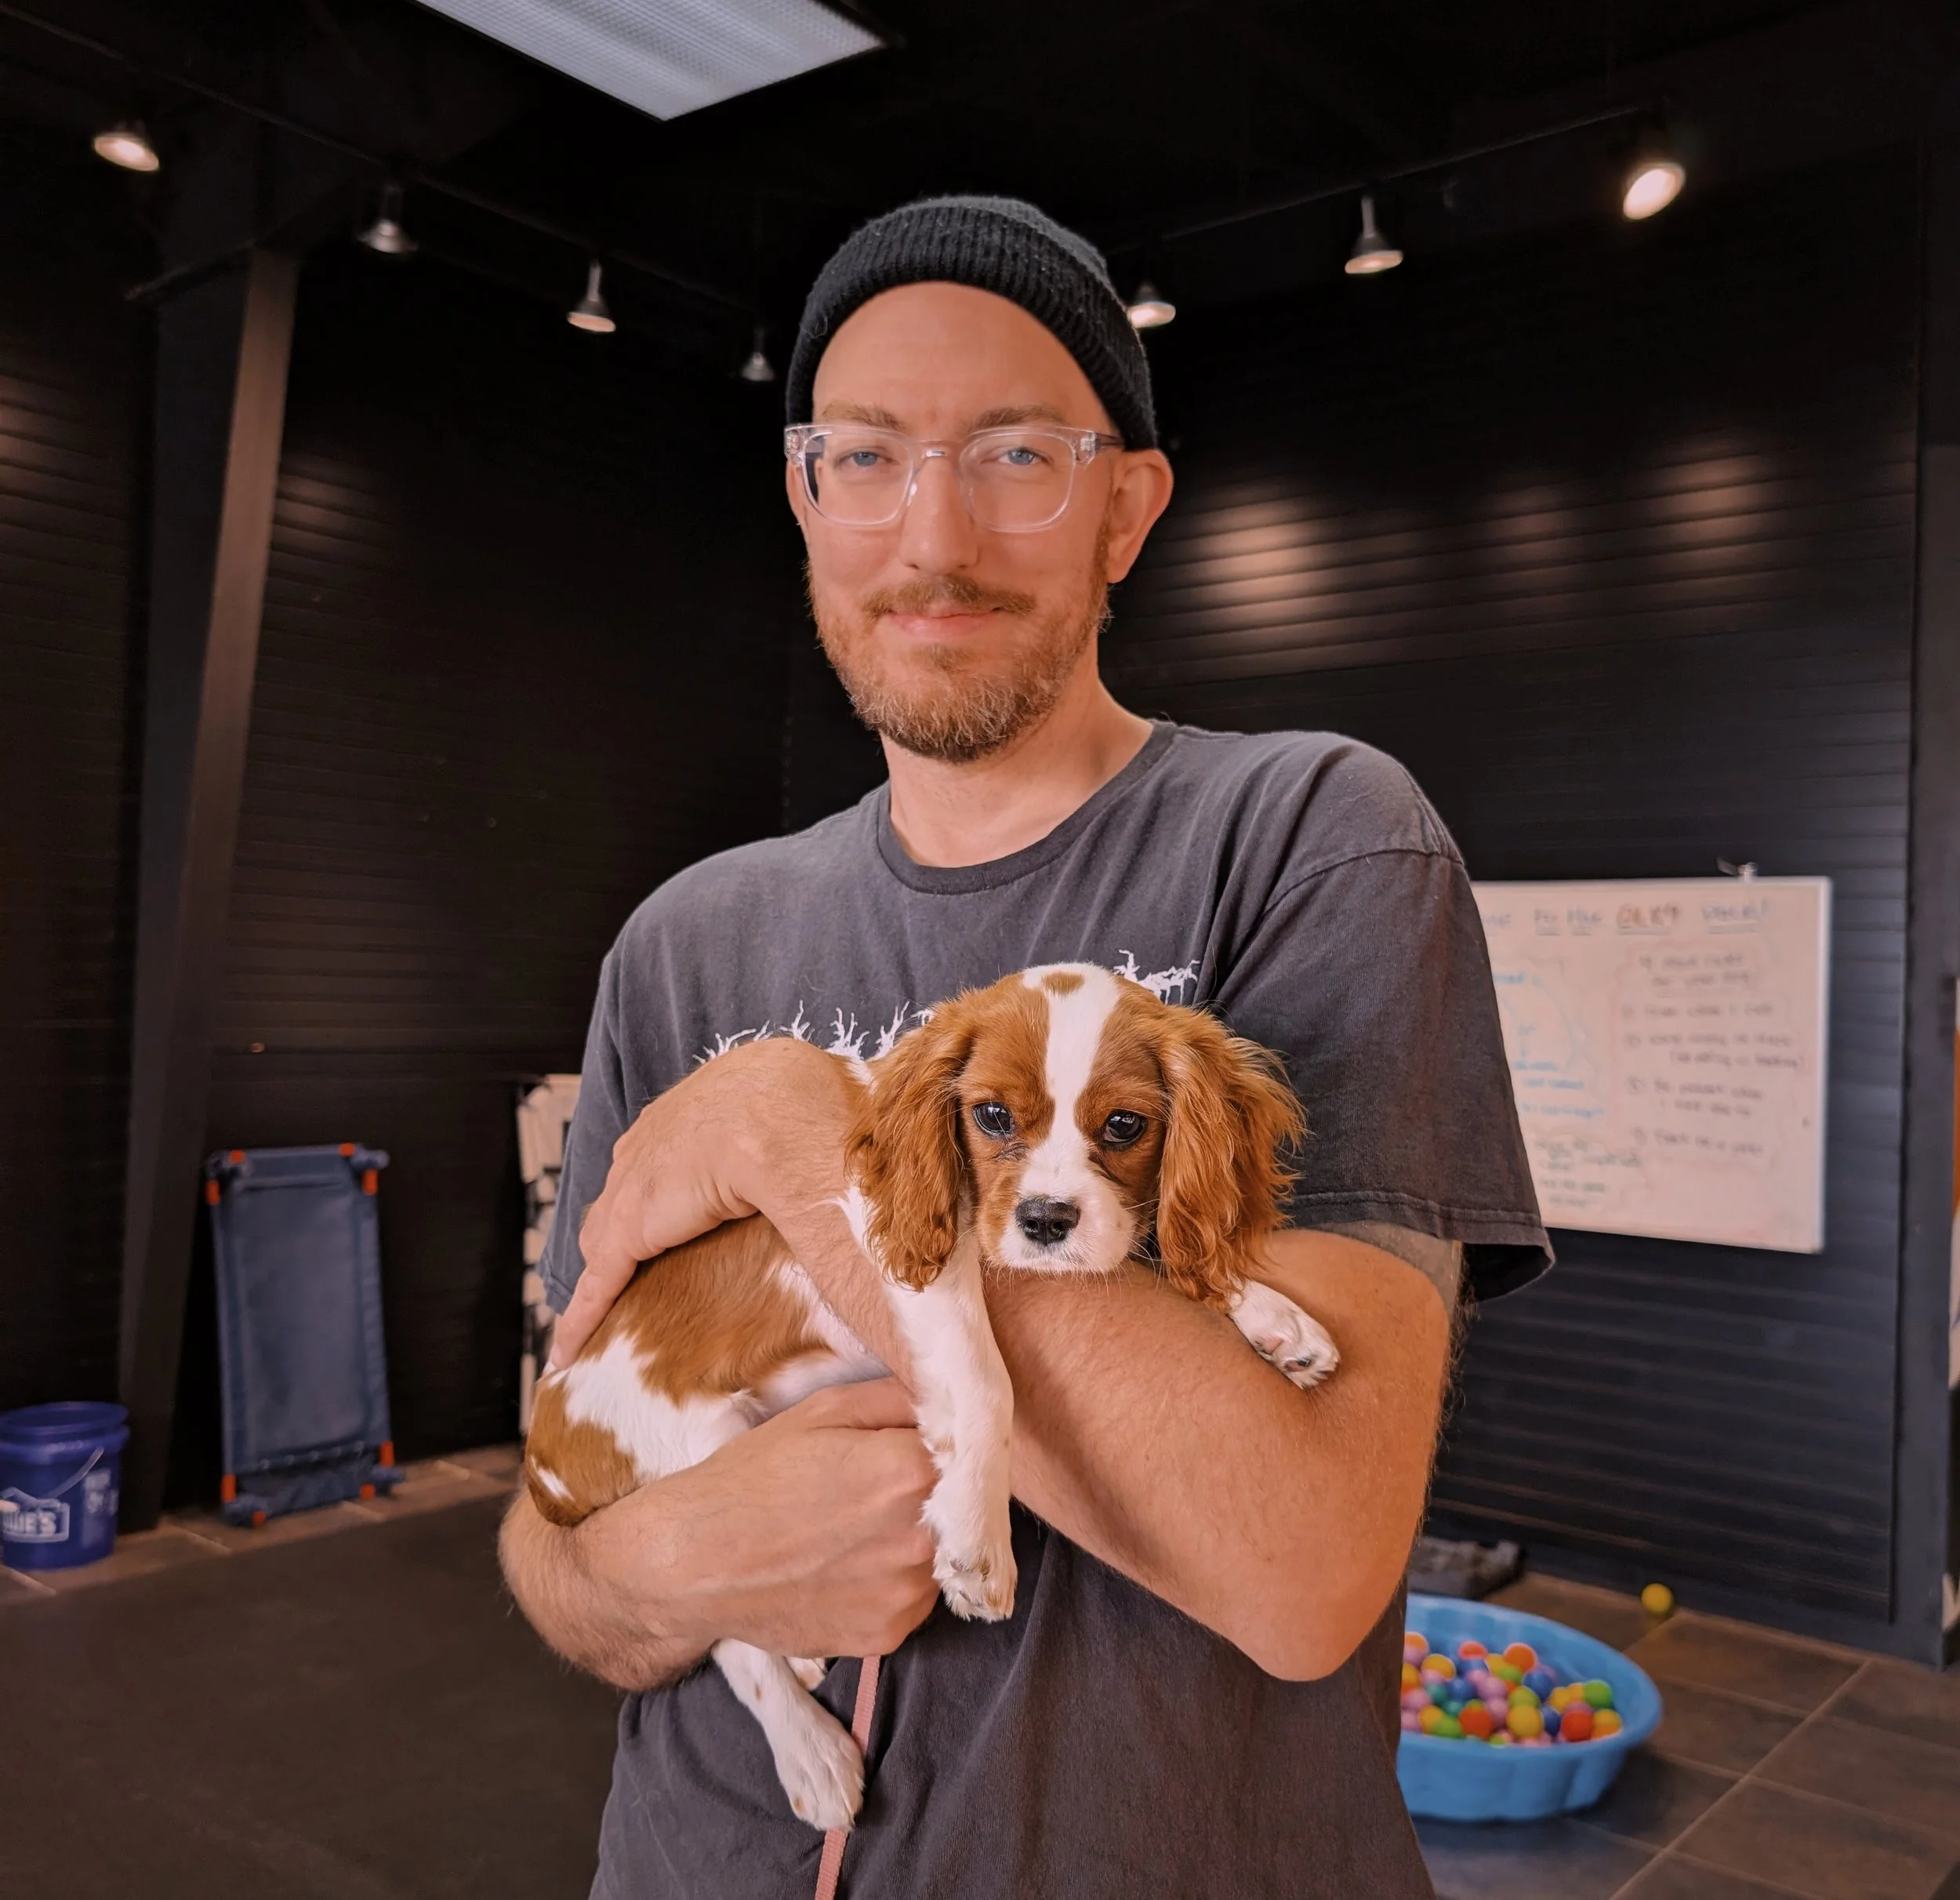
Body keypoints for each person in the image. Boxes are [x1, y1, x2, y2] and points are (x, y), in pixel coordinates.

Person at [500, 194, 1550, 1899]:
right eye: (865, 455)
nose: (932, 537)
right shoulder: (682, 939)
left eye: (1014, 453)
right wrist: (676, 1561)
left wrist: (803, 1143)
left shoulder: (1314, 837)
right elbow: (558, 1531)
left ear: (1125, 506)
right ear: (805, 495)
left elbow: (1299, 1572)